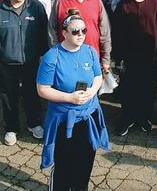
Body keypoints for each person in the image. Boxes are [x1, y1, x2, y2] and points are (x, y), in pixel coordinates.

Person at [37, 10, 110, 190]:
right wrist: (69, 97)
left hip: (88, 116)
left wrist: (92, 92)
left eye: (84, 30)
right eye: (75, 31)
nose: (80, 35)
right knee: (64, 165)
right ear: (64, 33)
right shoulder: (52, 56)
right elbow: (42, 89)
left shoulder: (90, 51)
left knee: (85, 163)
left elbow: (98, 77)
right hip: (63, 120)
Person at [0, 0, 49, 144]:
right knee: (9, 97)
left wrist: (44, 54)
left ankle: (34, 124)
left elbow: (44, 33)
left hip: (31, 61)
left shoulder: (36, 7)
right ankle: (11, 128)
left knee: (32, 94)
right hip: (7, 63)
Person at [111, 0, 157, 135]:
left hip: (150, 55)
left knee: (148, 90)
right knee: (128, 89)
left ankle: (144, 117)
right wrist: (118, 57)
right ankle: (128, 118)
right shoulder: (123, 5)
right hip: (129, 57)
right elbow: (117, 33)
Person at [49, 0, 112, 72]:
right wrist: (55, 53)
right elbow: (52, 30)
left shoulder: (96, 1)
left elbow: (105, 32)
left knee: (91, 87)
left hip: (91, 55)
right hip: (65, 56)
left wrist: (105, 59)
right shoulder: (61, 0)